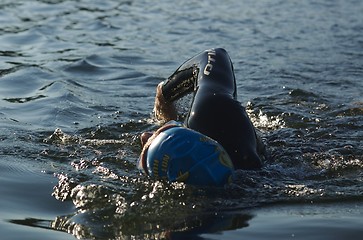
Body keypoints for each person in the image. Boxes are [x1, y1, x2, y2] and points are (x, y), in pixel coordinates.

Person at [139, 48, 266, 186]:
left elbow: (215, 55)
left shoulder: (209, 112)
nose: (144, 136)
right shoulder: (212, 115)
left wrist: (164, 98)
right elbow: (215, 55)